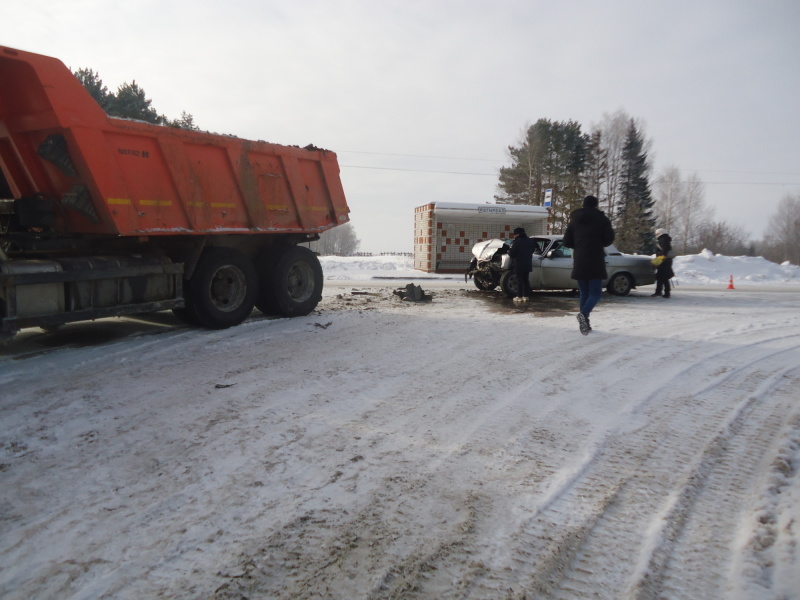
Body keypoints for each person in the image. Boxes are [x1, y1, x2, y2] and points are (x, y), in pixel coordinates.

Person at [563, 195, 615, 335]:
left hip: (579, 259)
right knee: (596, 293)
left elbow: (566, 242)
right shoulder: (602, 219)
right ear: (596, 205)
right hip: (595, 259)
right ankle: (584, 314)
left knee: (584, 293)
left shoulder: (574, 221)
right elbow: (609, 239)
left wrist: (579, 245)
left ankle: (585, 323)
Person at [507, 227, 536, 302]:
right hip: (527, 263)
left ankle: (519, 296)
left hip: (518, 264)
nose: (515, 236)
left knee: (519, 280)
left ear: (518, 234)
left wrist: (509, 251)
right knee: (526, 280)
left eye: (515, 234)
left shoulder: (517, 242)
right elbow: (533, 249)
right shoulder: (530, 241)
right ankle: (526, 296)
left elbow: (512, 253)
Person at [652, 228, 675, 298]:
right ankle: (662, 292)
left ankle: (664, 293)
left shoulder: (663, 240)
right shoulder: (666, 239)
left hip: (663, 261)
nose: (656, 235)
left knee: (662, 277)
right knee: (662, 277)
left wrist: (660, 257)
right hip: (666, 261)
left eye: (657, 234)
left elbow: (664, 250)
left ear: (660, 233)